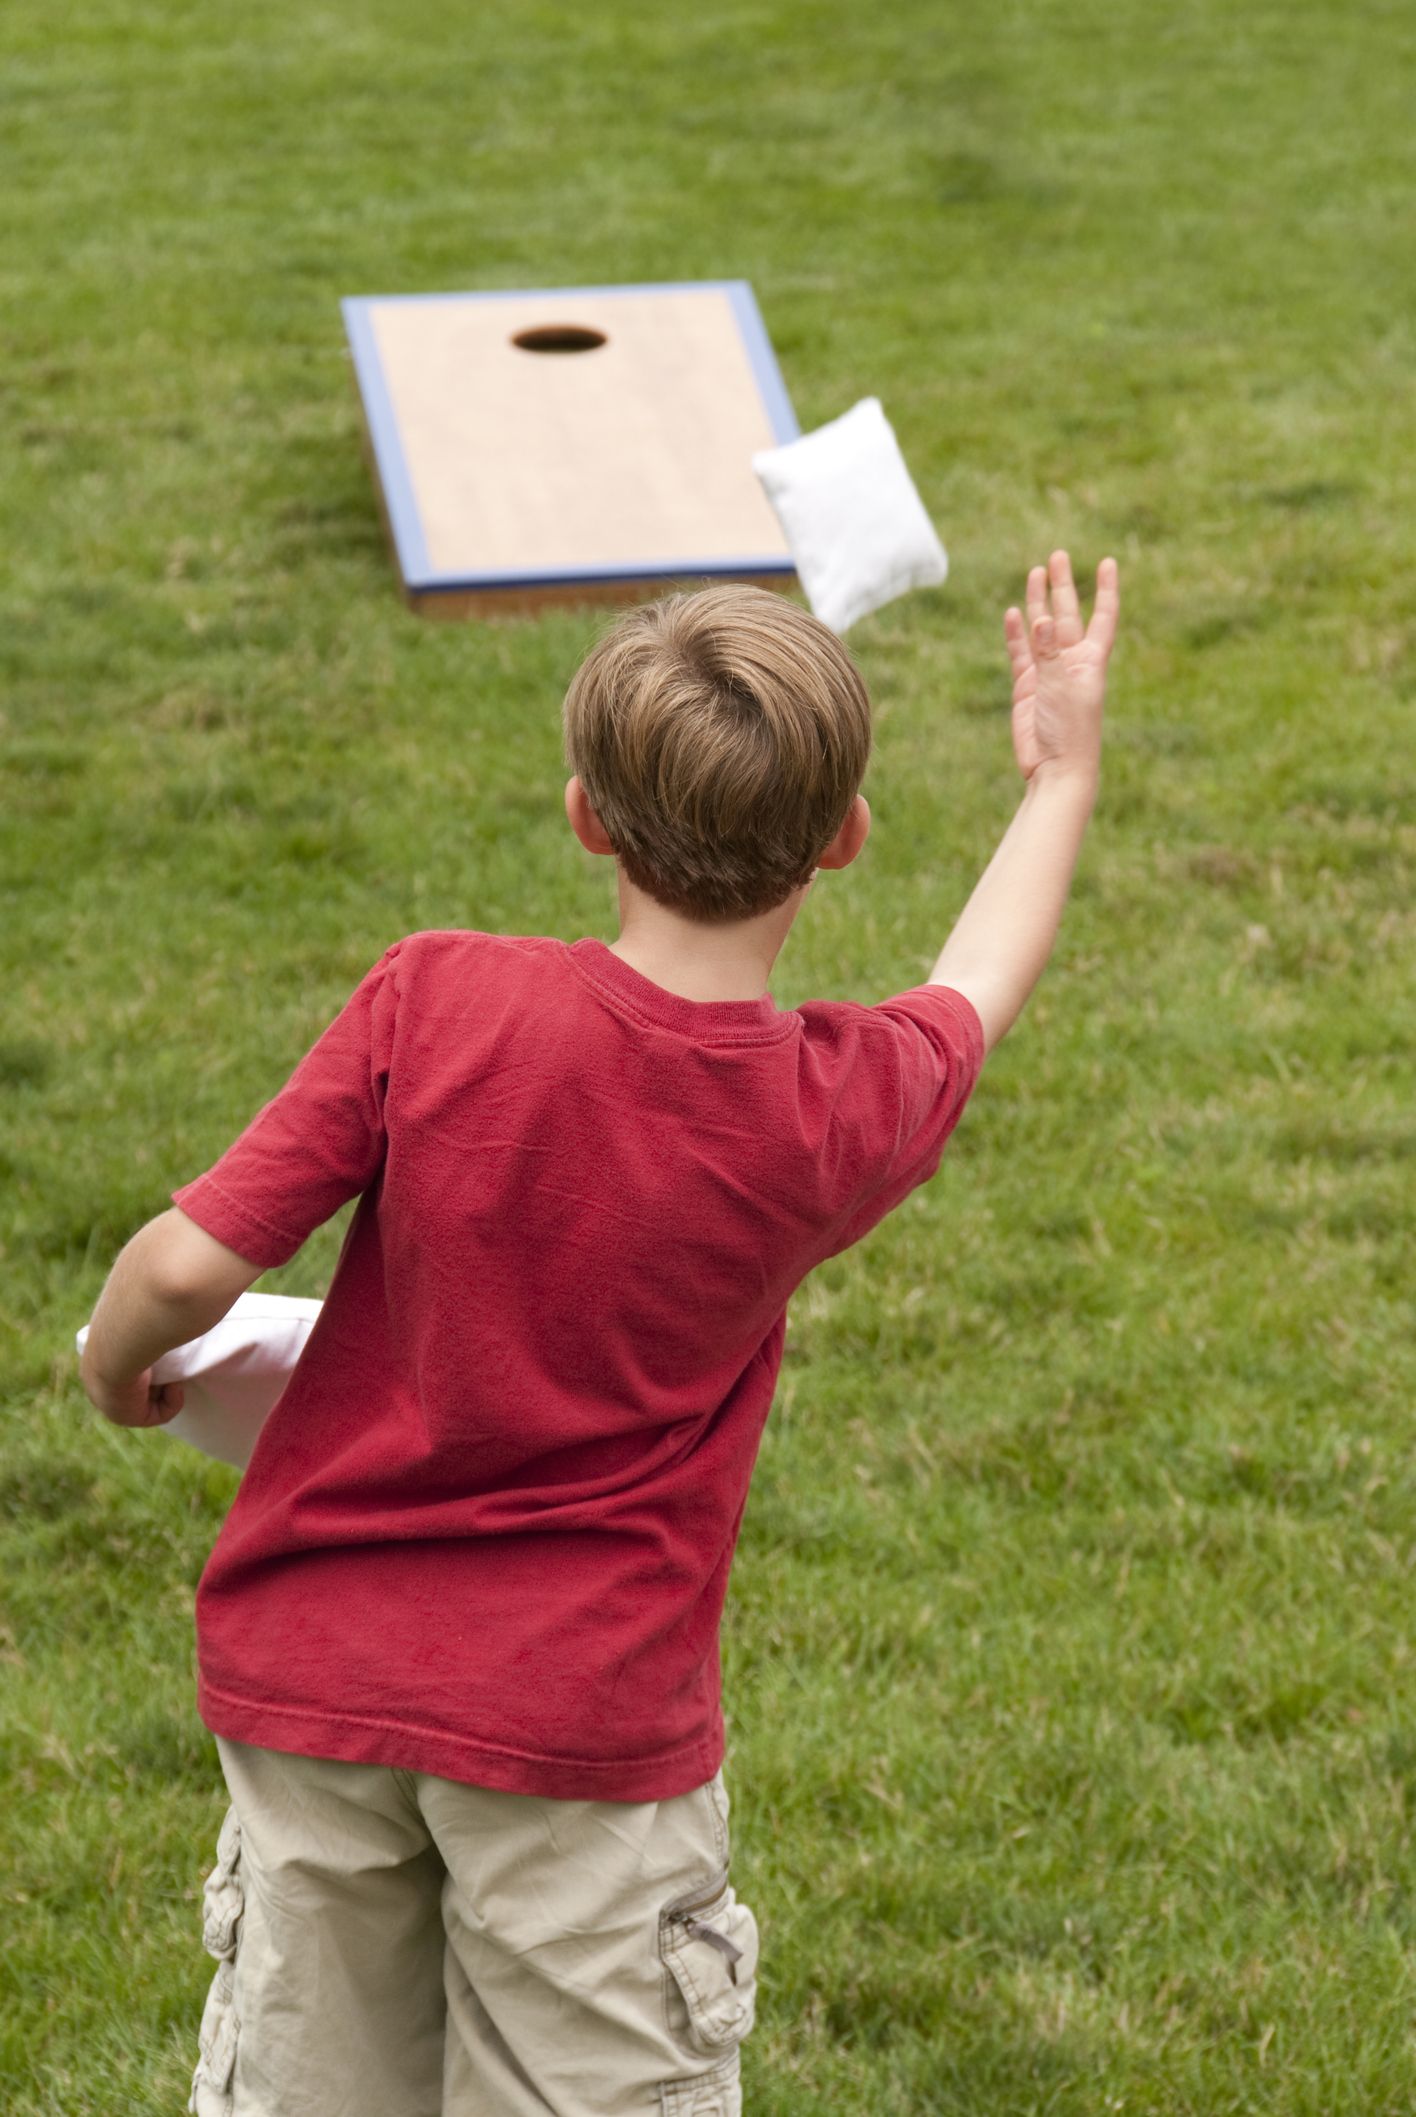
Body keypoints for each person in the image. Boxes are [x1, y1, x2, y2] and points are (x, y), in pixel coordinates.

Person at [80, 552, 1119, 2117]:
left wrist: (116, 1370)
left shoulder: (432, 999)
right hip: (585, 1739)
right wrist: (1060, 773)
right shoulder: (825, 1113)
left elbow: (184, 1269)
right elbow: (977, 983)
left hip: (316, 1685)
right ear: (840, 840)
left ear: (586, 813)